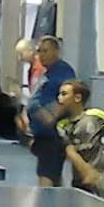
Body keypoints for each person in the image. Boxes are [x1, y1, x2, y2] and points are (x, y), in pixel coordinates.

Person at [22, 36, 76, 186]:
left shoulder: (63, 71)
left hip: (53, 137)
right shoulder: (47, 73)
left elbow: (69, 97)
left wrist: (49, 117)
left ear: (56, 51)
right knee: (52, 176)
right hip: (42, 136)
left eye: (45, 51)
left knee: (46, 177)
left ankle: (44, 202)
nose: (41, 55)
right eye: (39, 51)